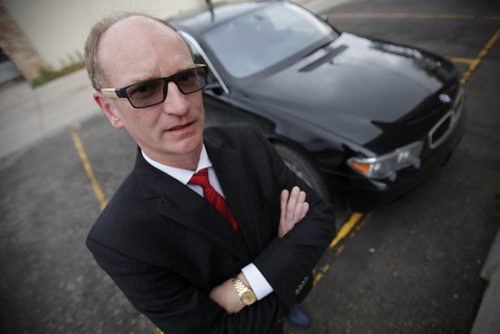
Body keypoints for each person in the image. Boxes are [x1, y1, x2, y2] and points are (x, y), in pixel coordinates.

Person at [84, 13, 336, 334]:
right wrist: (286, 257)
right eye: (144, 89)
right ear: (109, 109)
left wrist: (237, 292)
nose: (179, 106)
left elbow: (320, 219)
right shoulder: (119, 239)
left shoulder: (248, 141)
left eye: (186, 78)